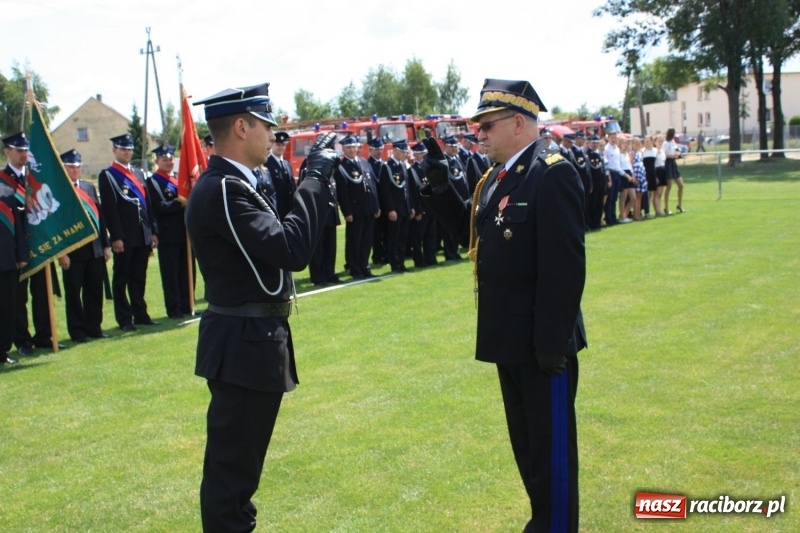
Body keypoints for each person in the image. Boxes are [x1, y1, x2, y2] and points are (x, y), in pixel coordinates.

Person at [421, 78, 586, 533]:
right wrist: (438, 185)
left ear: (519, 122)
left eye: (487, 126)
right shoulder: (495, 178)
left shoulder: (552, 171)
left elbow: (565, 265)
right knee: (529, 450)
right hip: (507, 339)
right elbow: (472, 237)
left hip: (541, 345)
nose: (481, 136)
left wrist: (553, 341)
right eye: (478, 128)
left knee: (551, 454)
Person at [185, 82, 339, 532]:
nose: (272, 135)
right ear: (240, 126)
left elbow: (290, 231)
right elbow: (291, 248)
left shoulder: (239, 183)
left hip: (252, 343)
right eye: (265, 125)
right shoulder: (224, 189)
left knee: (239, 475)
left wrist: (313, 177)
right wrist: (315, 176)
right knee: (231, 478)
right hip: (242, 345)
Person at [2, 132, 64, 354]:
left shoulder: (34, 177)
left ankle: (45, 336)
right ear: (7, 152)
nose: (23, 154)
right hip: (16, 250)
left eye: (25, 150)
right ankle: (22, 340)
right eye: (18, 150)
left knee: (43, 293)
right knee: (18, 298)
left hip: (41, 243)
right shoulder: (2, 179)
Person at [98, 133, 159, 331]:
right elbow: (110, 209)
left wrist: (153, 232)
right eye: (123, 148)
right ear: (115, 150)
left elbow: (148, 205)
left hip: (142, 234)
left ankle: (140, 314)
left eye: (130, 148)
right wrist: (116, 236)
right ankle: (124, 319)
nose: (127, 152)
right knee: (121, 278)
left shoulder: (139, 173)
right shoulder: (108, 175)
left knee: (138, 277)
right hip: (124, 236)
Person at [57, 149, 111, 342]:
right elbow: (57, 223)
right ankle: (78, 331)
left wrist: (105, 245)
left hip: (94, 249)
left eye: (78, 166)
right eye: (71, 167)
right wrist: (61, 253)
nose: (75, 170)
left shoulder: (88, 188)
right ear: (63, 168)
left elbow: (100, 217)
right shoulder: (58, 190)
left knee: (95, 291)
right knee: (74, 293)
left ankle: (94, 327)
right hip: (73, 252)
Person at [147, 144, 191, 319]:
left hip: (184, 232)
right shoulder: (153, 182)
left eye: (171, 159)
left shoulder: (179, 179)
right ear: (157, 161)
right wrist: (179, 202)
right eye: (164, 159)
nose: (168, 162)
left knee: (186, 272)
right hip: (167, 234)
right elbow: (158, 207)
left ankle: (188, 304)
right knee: (171, 275)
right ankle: (174, 309)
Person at [0, 136, 29, 363]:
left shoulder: (6, 191)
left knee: (9, 305)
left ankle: (3, 350)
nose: (23, 153)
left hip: (8, 258)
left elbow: (16, 226)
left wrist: (20, 256)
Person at [336, 135, 380, 279]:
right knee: (355, 241)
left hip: (368, 208)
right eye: (349, 147)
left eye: (354, 147)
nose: (352, 150)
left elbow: (372, 185)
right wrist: (347, 212)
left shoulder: (364, 162)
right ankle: (354, 268)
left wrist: (376, 206)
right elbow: (343, 192)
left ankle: (364, 266)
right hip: (355, 211)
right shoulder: (341, 166)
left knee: (367, 240)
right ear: (343, 148)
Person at [379, 139, 414, 272]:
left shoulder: (403, 166)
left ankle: (401, 262)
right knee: (394, 237)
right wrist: (390, 209)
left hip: (404, 207)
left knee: (403, 238)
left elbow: (407, 189)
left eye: (406, 151)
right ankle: (394, 263)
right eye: (402, 151)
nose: (405, 154)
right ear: (395, 150)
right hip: (395, 209)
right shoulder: (387, 167)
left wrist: (410, 206)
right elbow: (386, 191)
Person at [265, 131, 298, 221]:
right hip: (276, 209)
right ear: (272, 145)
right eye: (278, 145)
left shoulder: (287, 163)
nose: (281, 147)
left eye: (283, 145)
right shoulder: (266, 163)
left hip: (289, 210)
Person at [367, 138, 389, 266]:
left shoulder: (384, 164)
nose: (379, 151)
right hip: (376, 203)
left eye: (381, 149)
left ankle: (386, 254)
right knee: (376, 233)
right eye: (376, 149)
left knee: (386, 231)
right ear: (370, 150)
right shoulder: (368, 164)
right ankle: (378, 256)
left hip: (387, 204)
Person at [663, 128, 686, 214]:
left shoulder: (672, 142)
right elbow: (663, 154)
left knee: (681, 185)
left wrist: (678, 153)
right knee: (669, 187)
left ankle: (679, 205)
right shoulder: (665, 143)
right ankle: (666, 207)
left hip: (673, 164)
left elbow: (677, 149)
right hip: (668, 164)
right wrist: (672, 155)